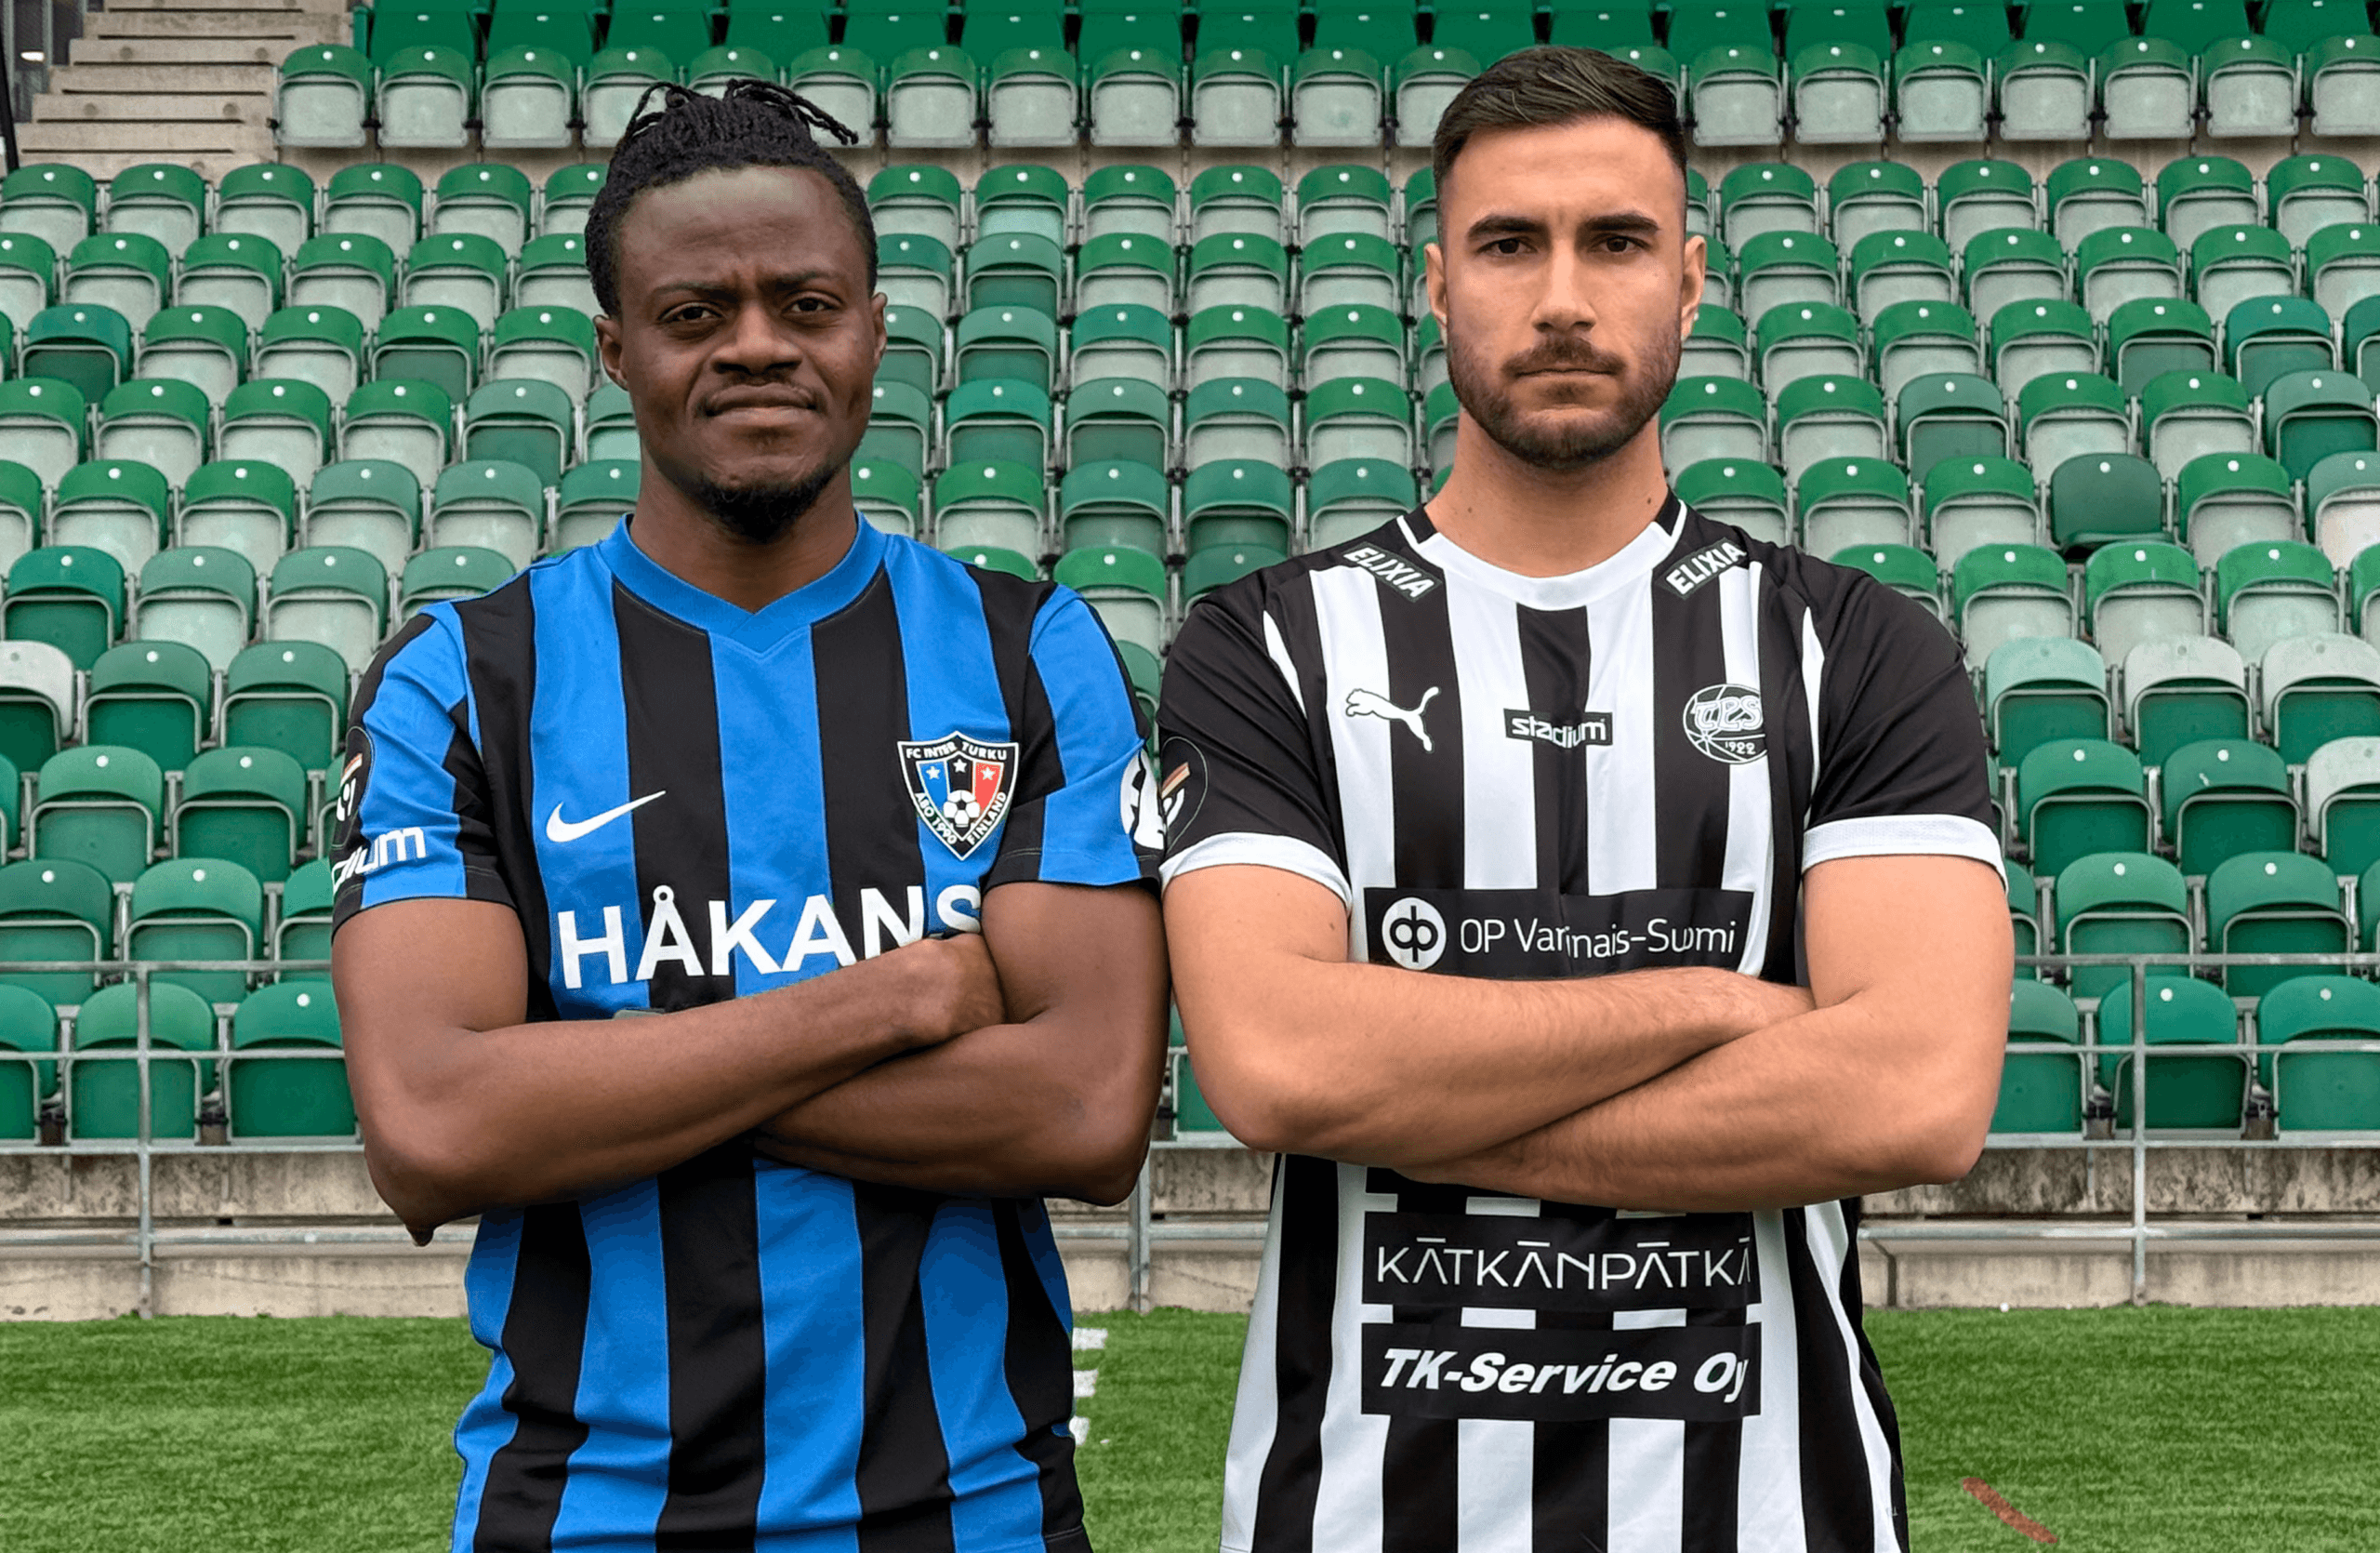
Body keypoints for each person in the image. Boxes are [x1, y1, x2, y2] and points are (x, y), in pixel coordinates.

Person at [1157, 46, 2012, 1553]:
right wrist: (1716, 1004)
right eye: (1509, 245)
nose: (1562, 297)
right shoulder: (1266, 644)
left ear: (1690, 281)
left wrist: (1413, 1093)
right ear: (1436, 287)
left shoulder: (1859, 647)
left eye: (1614, 242)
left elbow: (1916, 1095)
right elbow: (1279, 1062)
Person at [330, 82, 1168, 1553]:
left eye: (807, 303)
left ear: (875, 332)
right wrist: (898, 997)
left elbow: (1087, 1111)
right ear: (617, 350)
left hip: (972, 1516)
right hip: (583, 1517)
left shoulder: (1033, 651)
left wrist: (593, 1070)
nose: (760, 344)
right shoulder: (462, 679)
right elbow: (435, 1128)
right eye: (696, 312)